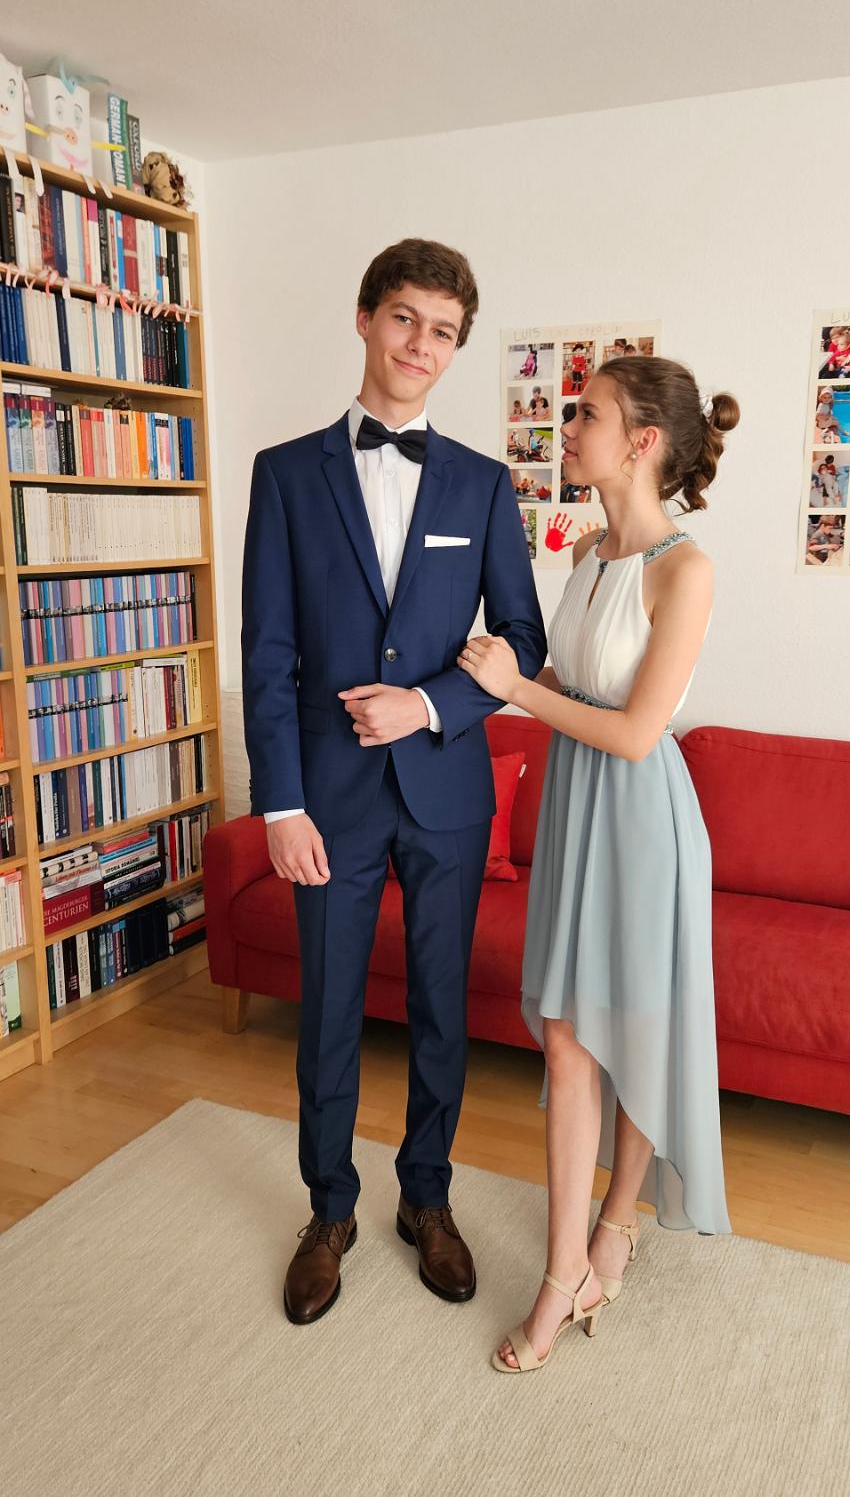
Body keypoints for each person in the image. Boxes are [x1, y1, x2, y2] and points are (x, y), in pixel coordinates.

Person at [242, 238, 547, 1328]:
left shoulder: (482, 482)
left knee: (437, 1010)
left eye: (443, 331)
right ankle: (328, 1211)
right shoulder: (285, 473)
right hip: (325, 801)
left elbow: (520, 639)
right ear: (366, 318)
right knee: (327, 1010)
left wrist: (424, 705)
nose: (421, 344)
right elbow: (267, 654)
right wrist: (280, 805)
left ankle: (427, 1198)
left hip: (446, 795)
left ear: (456, 349)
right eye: (406, 318)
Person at [456, 356, 736, 1373]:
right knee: (569, 1042)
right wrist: (483, 675)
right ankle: (565, 1266)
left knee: (628, 1033)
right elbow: (564, 682)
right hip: (577, 813)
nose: (566, 428)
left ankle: (611, 1227)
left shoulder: (685, 571)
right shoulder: (581, 553)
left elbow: (632, 731)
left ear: (642, 441)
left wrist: (515, 690)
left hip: (642, 819)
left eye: (586, 414)